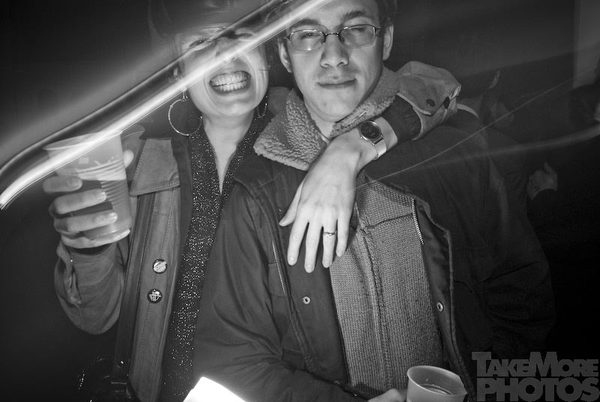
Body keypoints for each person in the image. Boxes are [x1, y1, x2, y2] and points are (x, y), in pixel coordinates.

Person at [43, 0, 457, 400]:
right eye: (201, 43)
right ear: (178, 70)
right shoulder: (137, 164)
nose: (226, 55)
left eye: (243, 36)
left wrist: (356, 145)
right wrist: (88, 249)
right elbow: (96, 318)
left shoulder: (311, 131)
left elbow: (432, 86)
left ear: (267, 52)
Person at [193, 0, 555, 401]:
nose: (334, 56)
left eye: (356, 29)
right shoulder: (255, 193)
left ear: (386, 40)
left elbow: (522, 298)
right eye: (308, 34)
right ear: (283, 53)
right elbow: (234, 361)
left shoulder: (457, 155)